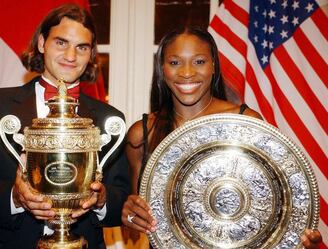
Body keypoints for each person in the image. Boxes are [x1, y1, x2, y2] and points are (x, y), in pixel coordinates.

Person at [121, 26, 322, 248]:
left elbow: (275, 204)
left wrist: (298, 240)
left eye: (199, 61)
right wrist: (131, 216)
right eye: (175, 62)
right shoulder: (142, 133)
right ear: (162, 68)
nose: (187, 72)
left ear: (214, 66)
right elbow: (138, 220)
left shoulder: (245, 121)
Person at [0, 4, 129, 249]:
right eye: (61, 43)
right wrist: (14, 197)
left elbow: (123, 199)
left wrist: (102, 199)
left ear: (91, 54)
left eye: (82, 47)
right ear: (42, 43)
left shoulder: (110, 119)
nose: (71, 56)